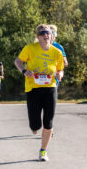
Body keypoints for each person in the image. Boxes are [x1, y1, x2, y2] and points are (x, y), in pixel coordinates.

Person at [14, 24, 64, 161]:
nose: (46, 35)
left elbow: (60, 69)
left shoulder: (56, 52)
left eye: (48, 33)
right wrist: (24, 71)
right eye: (42, 33)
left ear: (51, 35)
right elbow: (18, 61)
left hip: (50, 88)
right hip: (33, 89)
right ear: (38, 36)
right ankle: (34, 127)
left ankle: (43, 151)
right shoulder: (30, 48)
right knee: (35, 125)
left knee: (48, 122)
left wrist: (60, 74)